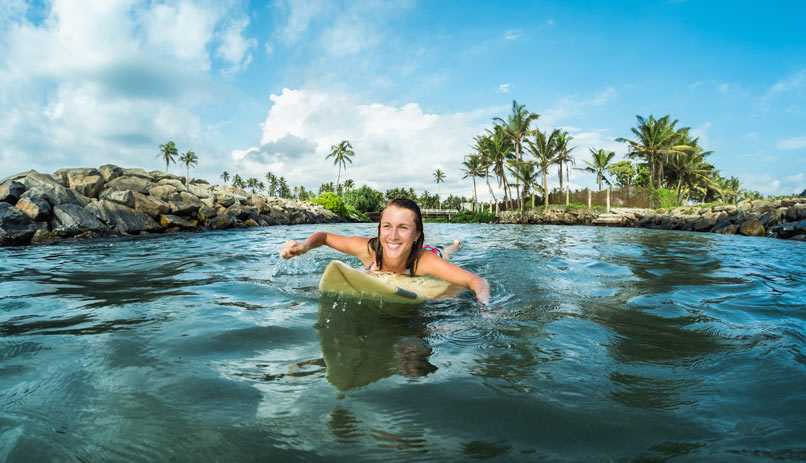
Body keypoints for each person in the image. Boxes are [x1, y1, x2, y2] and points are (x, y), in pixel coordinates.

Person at [281, 198, 490, 304]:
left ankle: (455, 245)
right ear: (379, 228)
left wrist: (485, 310)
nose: (393, 236)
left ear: (416, 234)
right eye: (387, 226)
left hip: (431, 252)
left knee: (447, 252)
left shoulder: (425, 262)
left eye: (404, 227)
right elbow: (324, 237)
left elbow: (478, 282)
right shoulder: (368, 250)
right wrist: (304, 246)